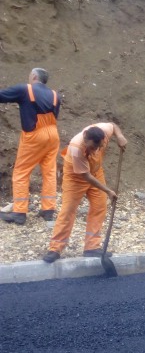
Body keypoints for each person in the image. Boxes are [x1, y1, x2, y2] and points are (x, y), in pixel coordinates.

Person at [43, 122, 127, 263]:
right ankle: (55, 248)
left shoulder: (103, 132)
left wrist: (120, 136)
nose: (96, 150)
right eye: (93, 147)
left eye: (99, 147)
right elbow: (85, 176)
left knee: (99, 207)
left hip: (96, 172)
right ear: (86, 139)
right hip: (76, 177)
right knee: (68, 210)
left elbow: (113, 125)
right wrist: (107, 191)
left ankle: (92, 247)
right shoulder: (76, 147)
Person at [0, 68, 61, 225]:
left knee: (21, 171)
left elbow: (1, 96)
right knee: (49, 171)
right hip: (53, 135)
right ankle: (48, 211)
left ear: (34, 76)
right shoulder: (55, 95)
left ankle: (19, 212)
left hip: (35, 135)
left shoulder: (24, 90)